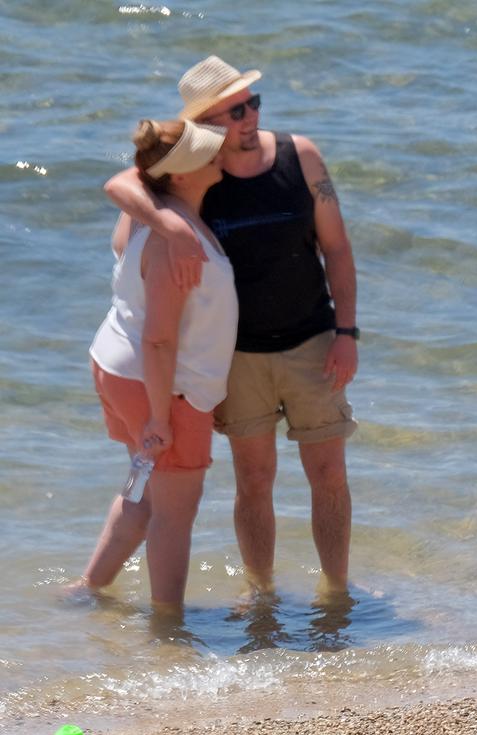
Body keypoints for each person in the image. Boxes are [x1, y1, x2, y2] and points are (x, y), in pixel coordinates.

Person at [103, 56, 359, 596]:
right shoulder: (198, 174)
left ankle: (338, 590)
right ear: (206, 125)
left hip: (313, 340)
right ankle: (260, 591)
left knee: (329, 475)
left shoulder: (300, 156)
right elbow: (123, 184)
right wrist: (168, 224)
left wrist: (347, 333)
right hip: (237, 359)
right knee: (254, 481)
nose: (250, 117)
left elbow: (336, 248)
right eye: (235, 110)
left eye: (253, 104)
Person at [78, 118, 237, 613]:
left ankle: (87, 590)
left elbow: (131, 181)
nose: (220, 154)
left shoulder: (159, 213)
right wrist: (161, 419)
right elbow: (161, 338)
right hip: (166, 389)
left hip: (119, 368)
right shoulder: (174, 239)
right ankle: (168, 628)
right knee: (175, 514)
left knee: (145, 491)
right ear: (181, 175)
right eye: (208, 152)